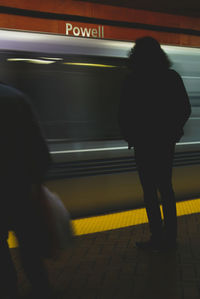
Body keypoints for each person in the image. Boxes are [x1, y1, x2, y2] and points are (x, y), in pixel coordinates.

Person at [119, 36, 191, 251]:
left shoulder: (133, 80)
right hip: (164, 143)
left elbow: (123, 113)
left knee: (149, 191)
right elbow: (184, 108)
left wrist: (131, 136)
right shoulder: (171, 77)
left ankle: (157, 237)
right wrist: (173, 131)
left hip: (143, 144)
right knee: (166, 189)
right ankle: (170, 238)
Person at [0, 82, 52, 298]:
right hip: (20, 184)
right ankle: (41, 287)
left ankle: (7, 288)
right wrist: (37, 182)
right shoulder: (16, 98)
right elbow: (39, 147)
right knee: (28, 242)